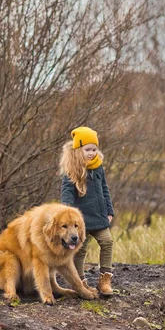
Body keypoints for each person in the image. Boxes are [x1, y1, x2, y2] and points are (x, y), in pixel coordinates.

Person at [60, 126, 114, 296]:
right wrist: (67, 210)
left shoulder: (98, 167)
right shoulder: (72, 169)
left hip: (99, 215)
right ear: (78, 150)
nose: (92, 153)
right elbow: (67, 191)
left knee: (107, 242)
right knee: (80, 251)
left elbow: (104, 189)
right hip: (80, 220)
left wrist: (109, 210)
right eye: (88, 150)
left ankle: (105, 280)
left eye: (94, 149)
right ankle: (80, 282)